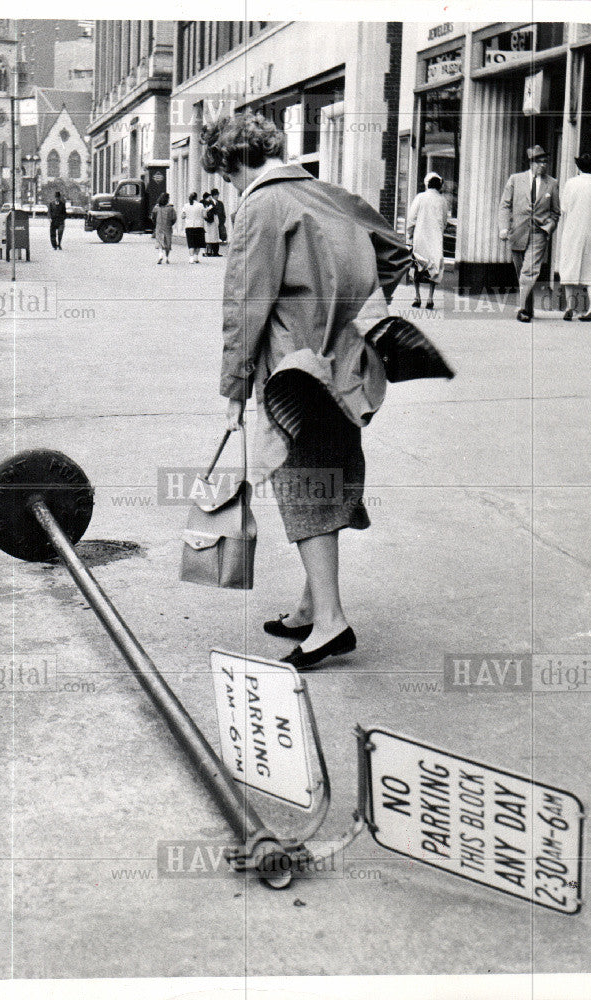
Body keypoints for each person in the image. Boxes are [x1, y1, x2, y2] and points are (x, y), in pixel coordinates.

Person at [200, 112, 410, 670]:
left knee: (304, 485)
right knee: (330, 470)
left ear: (235, 161)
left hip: (294, 372)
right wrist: (346, 307)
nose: (229, 185)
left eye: (226, 174)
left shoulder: (260, 206)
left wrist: (234, 390)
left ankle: (332, 623)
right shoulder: (329, 193)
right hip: (347, 363)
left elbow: (245, 306)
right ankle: (311, 604)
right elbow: (395, 251)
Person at [498, 145, 561, 322]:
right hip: (517, 232)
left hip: (539, 234)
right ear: (531, 163)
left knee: (529, 271)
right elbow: (505, 205)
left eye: (545, 162)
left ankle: (522, 309)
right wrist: (503, 228)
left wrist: (549, 227)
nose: (543, 165)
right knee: (522, 274)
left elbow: (556, 211)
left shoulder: (552, 183)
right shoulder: (515, 179)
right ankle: (529, 308)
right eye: (540, 162)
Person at [559, 152, 591, 322]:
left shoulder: (571, 183)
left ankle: (569, 307)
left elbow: (564, 207)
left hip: (573, 229)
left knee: (569, 264)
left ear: (578, 167)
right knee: (590, 266)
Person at [407, 172, 449, 310]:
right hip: (435, 238)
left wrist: (409, 234)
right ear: (439, 186)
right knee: (434, 266)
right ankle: (430, 298)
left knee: (417, 265)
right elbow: (444, 221)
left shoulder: (420, 197)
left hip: (420, 236)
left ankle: (417, 297)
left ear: (427, 184)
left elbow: (411, 218)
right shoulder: (442, 200)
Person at [151, 191, 177, 264]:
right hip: (168, 227)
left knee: (159, 241)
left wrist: (156, 223)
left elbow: (153, 217)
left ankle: (160, 254)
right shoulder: (170, 208)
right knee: (167, 243)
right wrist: (171, 224)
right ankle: (167, 258)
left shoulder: (156, 207)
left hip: (159, 226)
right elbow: (174, 218)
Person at [180, 192, 206, 263]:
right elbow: (204, 215)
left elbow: (183, 216)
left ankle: (191, 258)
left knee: (191, 242)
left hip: (189, 226)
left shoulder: (186, 206)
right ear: (196, 198)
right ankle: (196, 257)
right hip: (199, 226)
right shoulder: (200, 205)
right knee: (198, 242)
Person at [202, 192, 220, 257]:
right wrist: (209, 208)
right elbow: (204, 212)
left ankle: (212, 251)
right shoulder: (205, 204)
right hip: (209, 221)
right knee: (209, 237)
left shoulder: (212, 203)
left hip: (211, 221)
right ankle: (208, 251)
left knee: (212, 236)